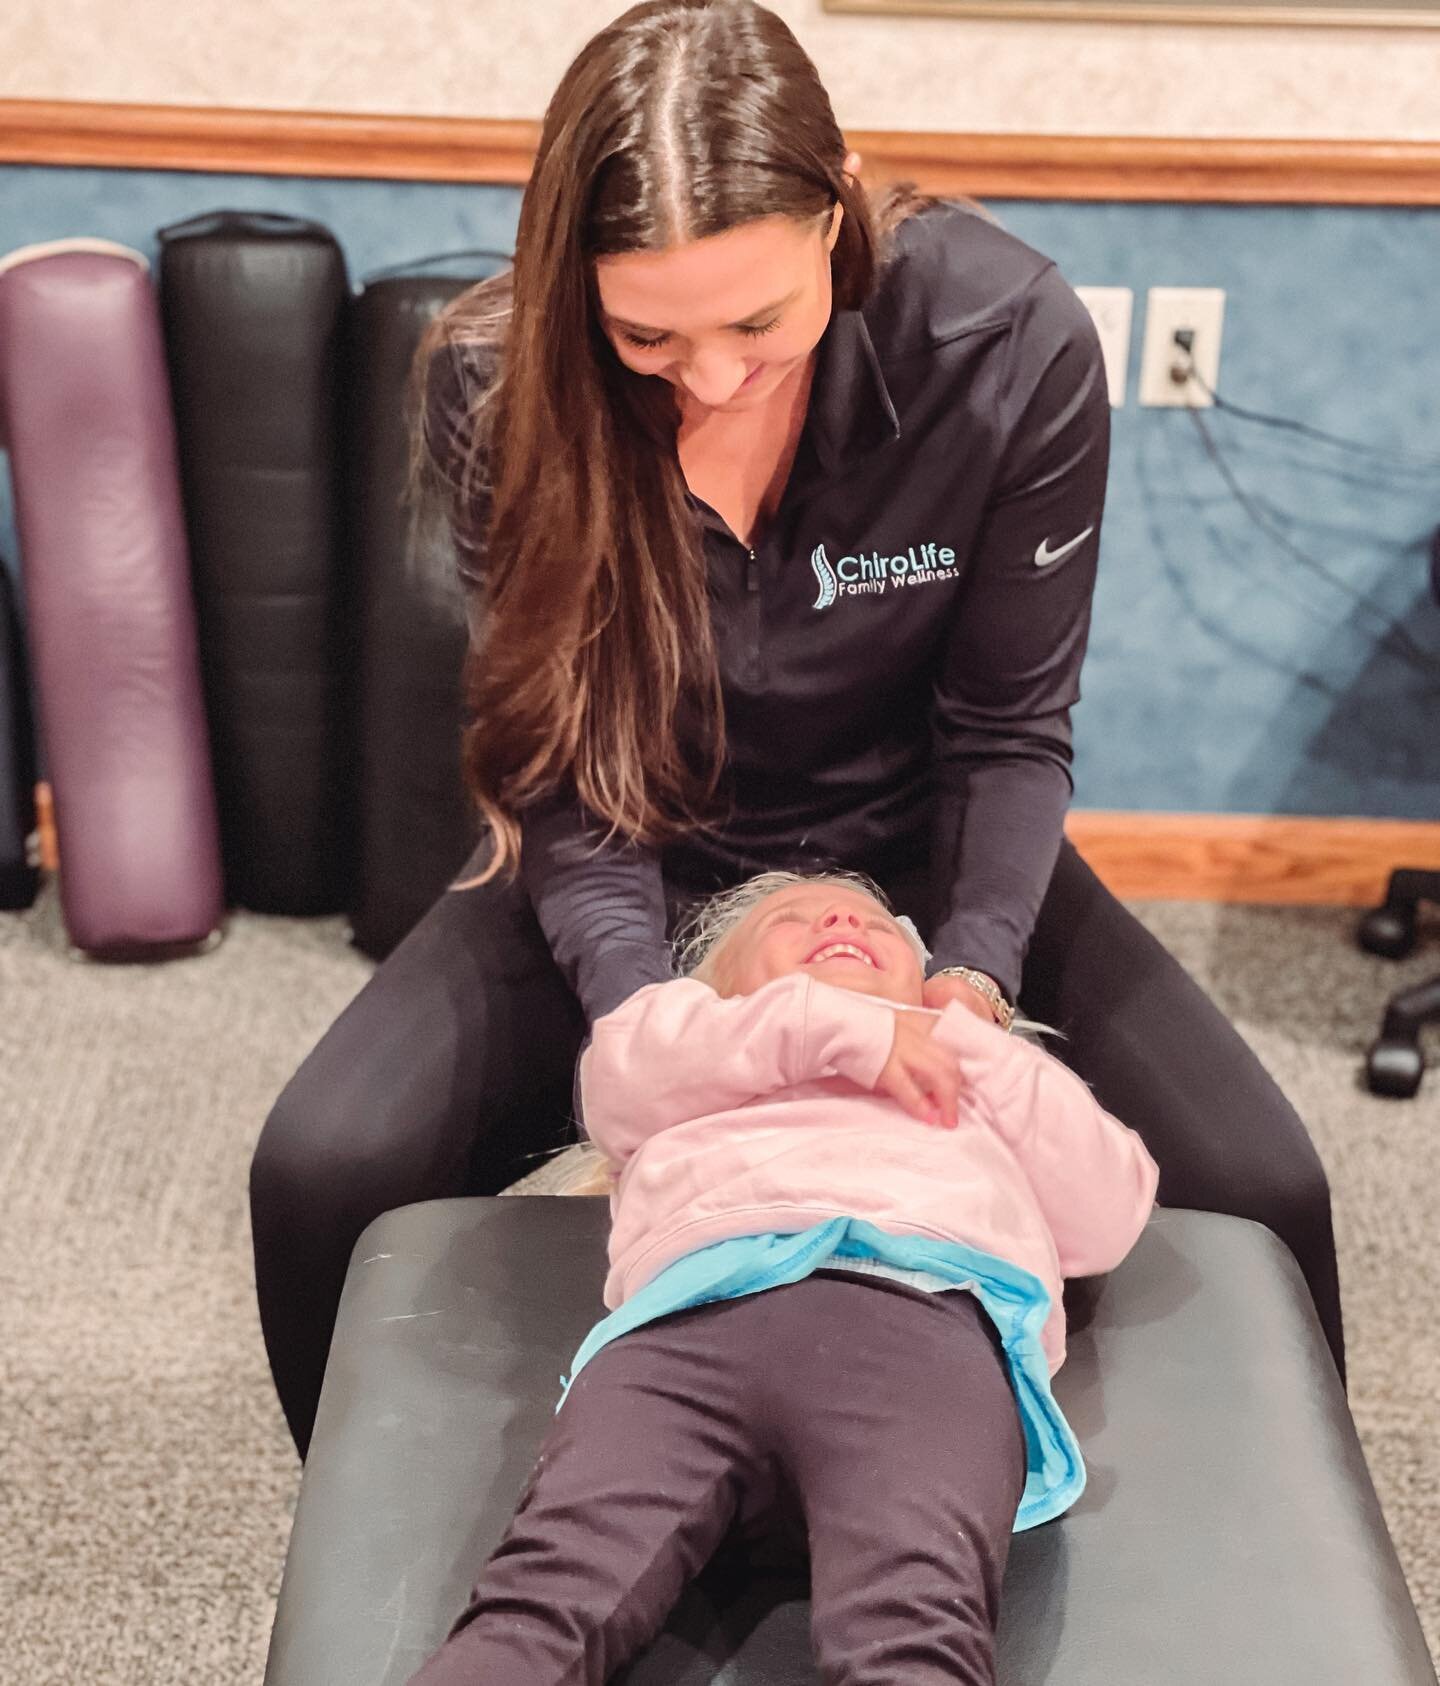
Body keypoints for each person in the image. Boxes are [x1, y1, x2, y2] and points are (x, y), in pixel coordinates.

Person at [249, 0, 1342, 1462]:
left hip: (918, 855)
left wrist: (969, 976)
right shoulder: (500, 386)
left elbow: (1011, 736)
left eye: (756, 324)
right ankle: (395, 1546)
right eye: (648, 334)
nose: (707, 378)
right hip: (635, 849)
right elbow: (568, 780)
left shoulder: (1006, 345)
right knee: (321, 1168)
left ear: (836, 211)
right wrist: (654, 1016)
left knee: (1263, 1187)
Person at [406, 871, 1160, 1685]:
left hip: (924, 1342)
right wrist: (830, 1029)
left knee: (914, 1634)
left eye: (876, 923)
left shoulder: (978, 1078)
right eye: (790, 919)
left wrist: (971, 1044)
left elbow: (1107, 1209)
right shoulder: (699, 1042)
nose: (838, 915)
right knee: (548, 1598)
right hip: (688, 1336)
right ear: (725, 986)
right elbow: (620, 1075)